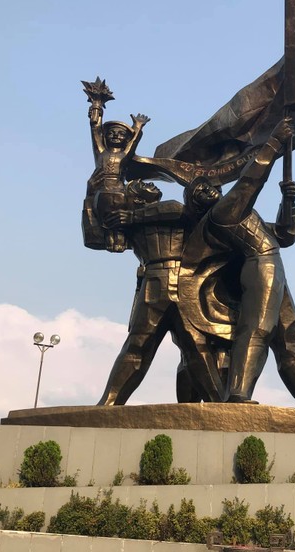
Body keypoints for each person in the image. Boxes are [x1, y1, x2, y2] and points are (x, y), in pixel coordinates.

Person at [181, 117, 295, 408]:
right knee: (258, 328)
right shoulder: (221, 215)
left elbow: (284, 236)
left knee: (294, 345)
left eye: (208, 186)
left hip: (273, 267)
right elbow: (250, 182)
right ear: (197, 207)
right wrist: (274, 143)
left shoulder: (245, 214)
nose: (207, 190)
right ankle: (238, 395)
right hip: (260, 265)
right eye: (199, 193)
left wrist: (288, 203)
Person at [96, 180, 225, 405]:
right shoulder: (131, 221)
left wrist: (133, 217)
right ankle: (109, 402)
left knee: (195, 345)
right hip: (155, 282)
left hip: (182, 282)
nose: (150, 183)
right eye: (141, 184)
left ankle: (218, 403)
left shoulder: (165, 212)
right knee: (138, 345)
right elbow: (99, 229)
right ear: (135, 198)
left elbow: (178, 209)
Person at [86, 95, 150, 252]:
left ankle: (121, 240)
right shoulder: (101, 152)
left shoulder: (124, 155)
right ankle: (108, 239)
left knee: (120, 222)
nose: (116, 135)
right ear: (106, 136)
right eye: (112, 133)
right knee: (107, 222)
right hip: (103, 192)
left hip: (120, 191)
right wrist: (97, 106)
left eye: (121, 134)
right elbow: (95, 130)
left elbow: (133, 143)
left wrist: (138, 127)